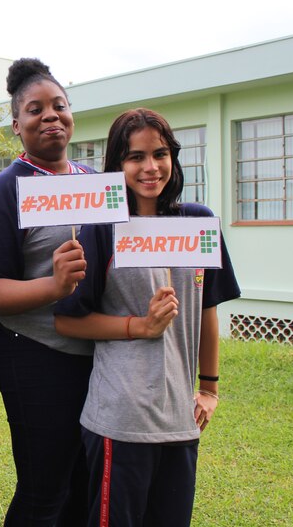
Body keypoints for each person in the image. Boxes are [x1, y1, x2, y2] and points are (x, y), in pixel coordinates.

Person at [54, 108, 241, 527]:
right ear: (117, 164)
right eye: (135, 157)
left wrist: (209, 388)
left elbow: (207, 308)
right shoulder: (102, 229)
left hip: (181, 420)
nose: (150, 167)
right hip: (120, 421)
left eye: (159, 154)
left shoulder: (199, 222)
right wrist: (139, 326)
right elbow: (66, 321)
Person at [0, 58, 95, 525]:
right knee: (45, 489)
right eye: (35, 109)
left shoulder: (95, 183)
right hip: (36, 355)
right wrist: (53, 285)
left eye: (59, 105)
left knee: (85, 483)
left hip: (99, 352)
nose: (50, 116)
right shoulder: (4, 192)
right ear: (16, 125)